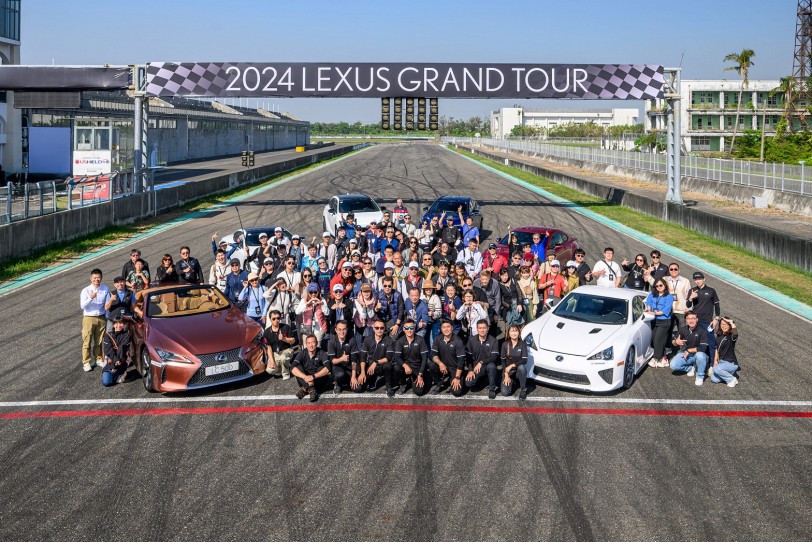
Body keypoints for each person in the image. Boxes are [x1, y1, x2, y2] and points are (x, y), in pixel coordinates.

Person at [686, 271, 721, 363]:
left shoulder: (711, 290)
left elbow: (717, 305)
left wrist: (716, 318)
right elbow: (688, 305)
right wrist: (691, 298)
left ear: (704, 279)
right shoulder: (692, 290)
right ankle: (695, 363)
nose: (697, 281)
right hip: (695, 322)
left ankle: (712, 364)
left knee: (711, 343)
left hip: (708, 322)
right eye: (696, 279)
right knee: (695, 342)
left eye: (699, 279)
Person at [80, 268, 109, 372]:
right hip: (89, 318)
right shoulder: (86, 290)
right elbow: (82, 306)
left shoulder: (105, 289)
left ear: (101, 278)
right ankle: (86, 362)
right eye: (95, 278)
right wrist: (90, 298)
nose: (97, 279)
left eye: (99, 277)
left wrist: (107, 316)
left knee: (99, 340)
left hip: (101, 317)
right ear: (91, 278)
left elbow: (107, 304)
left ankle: (98, 358)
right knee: (87, 340)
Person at [670, 311, 710, 386]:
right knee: (673, 365)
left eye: (693, 318)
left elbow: (703, 348)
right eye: (688, 318)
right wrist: (676, 342)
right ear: (686, 320)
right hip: (688, 354)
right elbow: (672, 341)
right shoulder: (683, 329)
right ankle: (691, 368)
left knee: (700, 356)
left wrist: (689, 350)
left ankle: (700, 376)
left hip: (700, 354)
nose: (691, 321)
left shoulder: (703, 331)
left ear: (697, 319)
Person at [429, 319, 467, 395]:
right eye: (444, 327)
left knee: (457, 392)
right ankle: (439, 383)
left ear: (452, 328)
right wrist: (440, 364)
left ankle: (460, 377)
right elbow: (433, 354)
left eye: (448, 327)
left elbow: (461, 361)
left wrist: (457, 377)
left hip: (455, 368)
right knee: (431, 364)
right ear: (441, 328)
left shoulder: (458, 341)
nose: (446, 329)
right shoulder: (438, 338)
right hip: (443, 367)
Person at [465, 319, 500, 399]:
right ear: (477, 329)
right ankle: (486, 380)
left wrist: (481, 362)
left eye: (484, 328)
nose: (482, 330)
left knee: (492, 366)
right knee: (469, 383)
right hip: (476, 367)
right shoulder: (471, 340)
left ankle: (492, 388)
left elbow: (494, 358)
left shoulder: (494, 340)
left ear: (488, 328)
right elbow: (468, 357)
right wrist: (470, 370)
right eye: (480, 328)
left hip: (487, 365)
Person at [393, 318, 430, 395]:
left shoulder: (421, 340)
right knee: (396, 367)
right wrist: (405, 366)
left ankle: (417, 378)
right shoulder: (400, 341)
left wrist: (420, 374)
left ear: (414, 328)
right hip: (406, 367)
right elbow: (397, 357)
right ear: (403, 329)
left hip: (417, 367)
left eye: (411, 328)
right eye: (407, 328)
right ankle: (403, 383)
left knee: (419, 392)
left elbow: (424, 358)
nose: (409, 330)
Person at [360, 319, 396, 396]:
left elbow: (388, 358)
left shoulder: (389, 340)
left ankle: (388, 386)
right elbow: (362, 357)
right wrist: (362, 372)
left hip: (381, 366)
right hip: (370, 368)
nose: (379, 330)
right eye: (377, 328)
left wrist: (376, 363)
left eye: (381, 328)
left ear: (384, 328)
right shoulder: (367, 339)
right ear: (373, 328)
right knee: (359, 388)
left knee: (388, 366)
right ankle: (373, 378)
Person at [290, 334, 330, 402]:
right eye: (309, 343)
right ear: (306, 344)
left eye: (313, 342)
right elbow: (292, 367)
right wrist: (306, 377)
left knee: (322, 368)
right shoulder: (302, 353)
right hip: (305, 380)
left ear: (316, 343)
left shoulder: (322, 353)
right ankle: (311, 390)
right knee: (297, 367)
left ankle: (305, 388)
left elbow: (328, 368)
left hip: (317, 380)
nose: (311, 345)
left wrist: (313, 377)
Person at [645, 278, 674, 368]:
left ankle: (656, 358)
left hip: (664, 321)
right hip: (654, 320)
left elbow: (666, 309)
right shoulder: (652, 294)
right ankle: (664, 358)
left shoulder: (669, 296)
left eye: (660, 285)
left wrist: (655, 313)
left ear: (665, 285)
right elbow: (648, 301)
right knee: (655, 339)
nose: (659, 287)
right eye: (656, 286)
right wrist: (648, 307)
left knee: (658, 339)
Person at [263, 309, 295, 380]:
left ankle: (286, 373)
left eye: (278, 318)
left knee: (283, 358)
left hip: (287, 350)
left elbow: (293, 340)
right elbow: (269, 347)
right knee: (270, 370)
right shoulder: (267, 332)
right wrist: (271, 361)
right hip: (275, 353)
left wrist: (284, 339)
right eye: (274, 319)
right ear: (270, 319)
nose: (276, 320)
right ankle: (280, 369)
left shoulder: (286, 327)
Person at [101, 315, 132, 386]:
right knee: (106, 383)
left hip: (121, 361)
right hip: (110, 362)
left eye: (121, 323)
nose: (118, 326)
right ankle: (115, 374)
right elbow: (108, 350)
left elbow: (122, 348)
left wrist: (118, 362)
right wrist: (115, 361)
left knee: (113, 379)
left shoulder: (127, 335)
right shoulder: (107, 336)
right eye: (116, 323)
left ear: (123, 324)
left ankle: (120, 373)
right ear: (113, 324)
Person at [327, 319, 355, 394]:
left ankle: (347, 381)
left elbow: (354, 360)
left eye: (344, 329)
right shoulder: (331, 342)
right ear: (335, 330)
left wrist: (353, 377)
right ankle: (338, 383)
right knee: (340, 375)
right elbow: (332, 360)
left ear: (347, 329)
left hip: (349, 367)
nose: (341, 332)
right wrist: (342, 359)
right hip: (337, 367)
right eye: (339, 329)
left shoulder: (352, 340)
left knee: (358, 388)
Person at [501, 324, 528, 399]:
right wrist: (506, 374)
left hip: (518, 371)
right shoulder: (505, 344)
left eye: (516, 331)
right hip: (508, 371)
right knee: (505, 392)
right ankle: (514, 382)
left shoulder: (523, 344)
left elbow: (524, 360)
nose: (514, 333)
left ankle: (523, 389)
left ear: (519, 332)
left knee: (521, 367)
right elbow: (503, 361)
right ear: (509, 333)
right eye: (512, 331)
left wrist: (512, 365)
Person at [711, 317, 740, 387]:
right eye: (722, 324)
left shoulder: (731, 336)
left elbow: (735, 333)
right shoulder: (718, 336)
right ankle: (729, 374)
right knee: (714, 379)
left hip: (731, 363)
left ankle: (732, 379)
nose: (724, 326)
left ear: (729, 326)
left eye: (726, 324)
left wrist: (731, 322)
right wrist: (715, 360)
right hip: (721, 362)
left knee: (717, 369)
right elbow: (716, 348)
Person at [666, 263, 691, 336]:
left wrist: (689, 308)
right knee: (668, 331)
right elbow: (655, 284)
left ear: (679, 270)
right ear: (669, 270)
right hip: (668, 310)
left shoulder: (685, 281)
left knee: (682, 332)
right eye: (671, 269)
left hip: (681, 311)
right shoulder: (665, 280)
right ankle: (669, 343)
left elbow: (689, 296)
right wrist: (648, 276)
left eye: (675, 269)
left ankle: (682, 343)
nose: (673, 271)